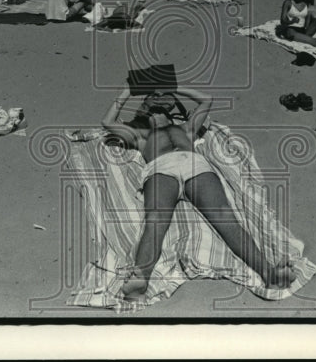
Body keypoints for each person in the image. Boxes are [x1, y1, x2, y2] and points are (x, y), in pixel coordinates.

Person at [100, 85, 296, 301]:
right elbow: (108, 122)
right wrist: (130, 90)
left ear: (172, 104)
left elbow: (206, 100)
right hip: (160, 168)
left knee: (225, 217)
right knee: (156, 220)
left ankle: (268, 274)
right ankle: (141, 280)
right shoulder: (141, 135)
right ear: (144, 107)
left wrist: (173, 87)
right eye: (152, 97)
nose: (158, 98)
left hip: (196, 165)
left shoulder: (187, 128)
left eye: (163, 96)